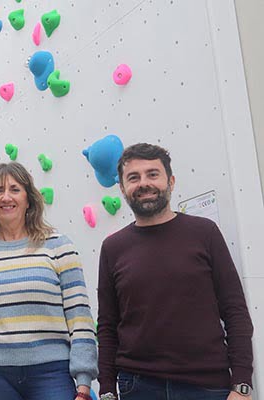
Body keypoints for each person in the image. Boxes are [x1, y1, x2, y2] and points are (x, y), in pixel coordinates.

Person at [96, 143, 254, 400]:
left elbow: (234, 310)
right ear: (123, 189)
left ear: (170, 181)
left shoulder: (205, 233)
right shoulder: (112, 248)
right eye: (133, 178)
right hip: (137, 387)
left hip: (207, 386)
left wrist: (242, 383)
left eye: (152, 174)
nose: (143, 183)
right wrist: (106, 390)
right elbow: (107, 325)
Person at [0, 162, 98, 400]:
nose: (6, 197)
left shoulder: (58, 246)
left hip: (52, 373)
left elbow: (79, 317)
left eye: (15, 189)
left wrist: (84, 383)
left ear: (28, 199)